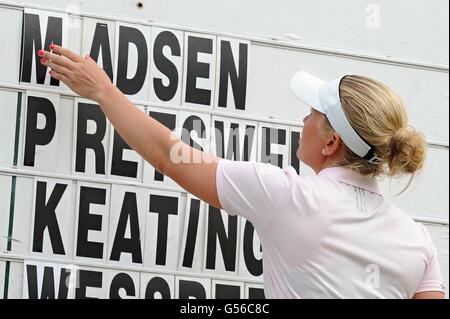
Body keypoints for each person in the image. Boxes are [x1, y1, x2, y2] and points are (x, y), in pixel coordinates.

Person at [36, 45, 446, 299]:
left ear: (330, 143)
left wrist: (102, 90)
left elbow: (169, 155)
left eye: (312, 114)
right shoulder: (417, 240)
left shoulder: (287, 196)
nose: (302, 119)